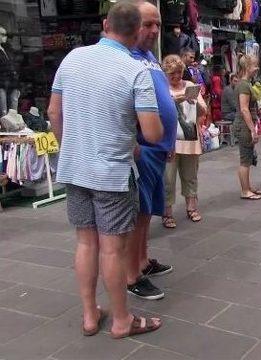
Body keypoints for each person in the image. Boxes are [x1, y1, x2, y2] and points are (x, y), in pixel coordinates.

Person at [47, 2, 162, 338]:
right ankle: (122, 320)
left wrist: (72, 147)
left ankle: (88, 314)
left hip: (75, 169)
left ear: (105, 24)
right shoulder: (135, 70)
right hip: (112, 172)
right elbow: (153, 132)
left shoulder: (72, 59)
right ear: (138, 30)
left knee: (85, 243)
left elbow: (55, 113)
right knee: (112, 248)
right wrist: (132, 138)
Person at [125, 1, 177, 301]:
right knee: (137, 214)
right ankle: (132, 275)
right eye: (148, 24)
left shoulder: (149, 56)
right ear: (131, 24)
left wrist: (169, 142)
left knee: (147, 213)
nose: (155, 30)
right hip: (141, 150)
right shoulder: (125, 57)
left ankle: (143, 261)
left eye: (157, 24)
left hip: (158, 148)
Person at [162, 54, 208, 227]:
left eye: (179, 72)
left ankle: (192, 207)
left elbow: (203, 110)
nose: (176, 76)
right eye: (172, 73)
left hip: (190, 138)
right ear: (166, 73)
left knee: (190, 176)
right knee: (168, 178)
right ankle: (167, 213)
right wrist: (178, 99)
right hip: (169, 141)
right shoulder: (163, 88)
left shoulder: (190, 85)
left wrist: (197, 102)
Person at [233, 55, 261, 200]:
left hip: (243, 124)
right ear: (247, 67)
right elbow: (244, 109)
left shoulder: (244, 83)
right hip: (243, 125)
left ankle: (247, 187)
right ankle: (245, 190)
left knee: (248, 157)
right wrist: (252, 130)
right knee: (245, 159)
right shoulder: (244, 85)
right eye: (255, 66)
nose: (257, 69)